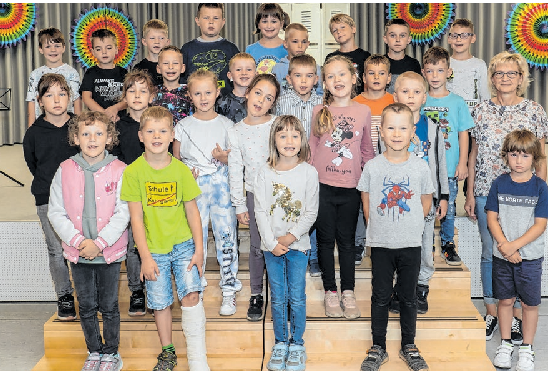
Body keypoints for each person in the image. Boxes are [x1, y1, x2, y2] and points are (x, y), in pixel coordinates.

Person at [465, 51, 548, 343]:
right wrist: (470, 192)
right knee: (492, 253)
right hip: (488, 190)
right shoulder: (481, 111)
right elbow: (474, 154)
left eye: (511, 73)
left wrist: (542, 190)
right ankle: (492, 310)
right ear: (492, 78)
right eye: (499, 73)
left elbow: (542, 155)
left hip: (525, 195)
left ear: (521, 78)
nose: (505, 79)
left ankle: (513, 315)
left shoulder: (535, 110)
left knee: (518, 252)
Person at [121, 106, 209, 371]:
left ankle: (197, 358)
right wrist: (145, 257)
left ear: (172, 135)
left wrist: (200, 249)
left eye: (162, 131)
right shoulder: (133, 173)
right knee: (160, 304)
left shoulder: (181, 170)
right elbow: (136, 219)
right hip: (153, 250)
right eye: (150, 131)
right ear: (140, 136)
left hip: (184, 245)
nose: (156, 136)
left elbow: (193, 212)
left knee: (191, 295)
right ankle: (168, 351)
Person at [48, 111, 129, 371]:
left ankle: (111, 353)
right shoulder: (65, 169)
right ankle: (94, 351)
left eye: (98, 133)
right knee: (86, 305)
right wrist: (78, 240)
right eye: (85, 133)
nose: (92, 139)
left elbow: (123, 211)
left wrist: (101, 242)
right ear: (75, 138)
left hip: (109, 253)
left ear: (109, 137)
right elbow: (56, 211)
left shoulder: (119, 169)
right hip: (78, 252)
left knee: (109, 306)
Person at [357, 103, 434, 371]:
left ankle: (408, 345)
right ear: (381, 132)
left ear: (413, 132)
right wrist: (378, 228)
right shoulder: (373, 167)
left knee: (408, 297)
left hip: (411, 244)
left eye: (403, 127)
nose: (397, 133)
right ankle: (378, 346)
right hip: (381, 244)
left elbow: (426, 201)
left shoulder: (421, 167)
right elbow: (366, 202)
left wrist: (410, 226)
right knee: (380, 296)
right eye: (391, 127)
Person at [309, 55, 374, 319]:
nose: (337, 80)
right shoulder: (318, 111)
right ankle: (330, 292)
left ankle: (348, 291)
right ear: (324, 82)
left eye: (342, 74)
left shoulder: (363, 111)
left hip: (351, 188)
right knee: (325, 242)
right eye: (331, 76)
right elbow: (312, 149)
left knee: (347, 243)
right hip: (322, 187)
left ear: (353, 78)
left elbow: (367, 150)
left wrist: (370, 184)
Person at [173, 69, 242, 316]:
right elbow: (175, 159)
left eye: (208, 92)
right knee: (195, 238)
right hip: (195, 188)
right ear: (189, 95)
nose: (203, 97)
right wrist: (184, 172)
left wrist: (225, 158)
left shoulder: (227, 124)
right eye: (197, 93)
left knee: (226, 236)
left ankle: (229, 289)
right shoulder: (182, 125)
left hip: (222, 186)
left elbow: (236, 159)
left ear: (217, 93)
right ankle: (196, 288)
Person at [254, 115, 319, 371]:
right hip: (272, 248)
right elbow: (260, 210)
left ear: (302, 140)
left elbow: (310, 212)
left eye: (294, 135)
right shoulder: (264, 171)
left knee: (297, 297)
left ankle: (297, 344)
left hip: (298, 247)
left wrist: (290, 237)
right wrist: (271, 242)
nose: (289, 141)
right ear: (274, 140)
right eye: (283, 135)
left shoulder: (309, 172)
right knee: (279, 298)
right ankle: (281, 343)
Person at [486, 130, 548, 371]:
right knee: (505, 301)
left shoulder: (541, 187)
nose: (519, 160)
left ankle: (526, 348)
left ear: (535, 158)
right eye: (514, 154)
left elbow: (540, 225)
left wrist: (513, 246)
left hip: (529, 257)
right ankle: (505, 344)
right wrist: (505, 246)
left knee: (529, 304)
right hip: (502, 255)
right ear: (506, 156)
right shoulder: (499, 183)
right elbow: (492, 219)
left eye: (525, 155)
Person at [392, 72, 449, 314]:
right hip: (397, 200)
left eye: (416, 92)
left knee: (425, 245)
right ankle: (399, 287)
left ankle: (421, 286)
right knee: (397, 245)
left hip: (425, 200)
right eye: (405, 91)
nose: (411, 96)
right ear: (395, 95)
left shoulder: (433, 128)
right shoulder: (389, 127)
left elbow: (441, 164)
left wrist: (443, 196)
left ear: (424, 97)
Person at [23, 73, 79, 321]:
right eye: (49, 95)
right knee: (56, 250)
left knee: (79, 246)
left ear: (70, 97)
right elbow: (33, 164)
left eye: (62, 94)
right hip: (47, 197)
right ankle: (64, 296)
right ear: (40, 101)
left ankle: (86, 294)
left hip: (78, 197)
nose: (57, 100)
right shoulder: (34, 133)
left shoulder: (80, 126)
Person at [227, 74, 281, 321]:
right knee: (258, 247)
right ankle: (257, 294)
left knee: (281, 244)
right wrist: (239, 204)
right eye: (258, 92)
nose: (261, 100)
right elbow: (235, 169)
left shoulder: (279, 124)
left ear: (273, 104)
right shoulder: (235, 131)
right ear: (247, 92)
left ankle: (281, 294)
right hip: (254, 195)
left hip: (281, 194)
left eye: (268, 97)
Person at [421, 46, 474, 266]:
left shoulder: (458, 102)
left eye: (440, 70)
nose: (435, 76)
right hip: (424, 166)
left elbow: (464, 134)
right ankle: (425, 243)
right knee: (424, 206)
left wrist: (463, 163)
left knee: (448, 207)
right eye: (430, 71)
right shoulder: (420, 100)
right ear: (424, 72)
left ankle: (447, 244)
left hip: (449, 166)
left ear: (449, 72)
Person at [111, 70, 156, 316]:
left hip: (155, 193)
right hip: (128, 194)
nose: (137, 96)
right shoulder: (118, 125)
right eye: (132, 91)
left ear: (152, 96)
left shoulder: (158, 122)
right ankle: (136, 291)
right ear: (124, 96)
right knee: (132, 247)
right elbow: (114, 159)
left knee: (155, 242)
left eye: (143, 91)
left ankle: (156, 289)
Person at [274, 53, 322, 277]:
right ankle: (286, 249)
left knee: (310, 212)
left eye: (309, 76)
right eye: (298, 76)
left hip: (312, 168)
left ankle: (312, 256)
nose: (303, 81)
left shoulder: (322, 104)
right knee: (289, 209)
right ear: (289, 79)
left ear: (317, 79)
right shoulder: (281, 102)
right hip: (286, 168)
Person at [352, 54, 395, 265]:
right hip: (363, 163)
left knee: (387, 201)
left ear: (389, 78)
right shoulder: (355, 103)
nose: (376, 77)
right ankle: (359, 243)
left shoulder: (395, 101)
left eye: (381, 73)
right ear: (363, 77)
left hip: (390, 162)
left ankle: (387, 240)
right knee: (363, 203)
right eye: (371, 73)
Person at [26, 27, 81, 127]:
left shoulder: (72, 73)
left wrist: (78, 126)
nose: (53, 50)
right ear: (40, 49)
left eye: (57, 46)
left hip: (67, 124)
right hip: (43, 125)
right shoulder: (35, 74)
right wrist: (31, 128)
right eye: (47, 47)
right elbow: (32, 101)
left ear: (63, 48)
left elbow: (76, 100)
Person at [181, 3, 239, 96]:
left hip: (226, 105)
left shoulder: (231, 49)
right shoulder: (187, 49)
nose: (211, 22)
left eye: (216, 18)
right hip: (197, 103)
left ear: (223, 22)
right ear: (197, 20)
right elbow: (182, 81)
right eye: (206, 18)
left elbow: (238, 78)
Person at [80, 29, 128, 123]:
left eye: (108, 48)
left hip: (120, 121)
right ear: (93, 52)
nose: (104, 52)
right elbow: (86, 98)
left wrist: (115, 109)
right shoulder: (90, 73)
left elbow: (129, 99)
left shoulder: (124, 73)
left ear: (116, 49)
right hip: (97, 121)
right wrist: (103, 114)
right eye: (99, 49)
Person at [446, 18, 490, 112]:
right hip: (449, 118)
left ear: (473, 38)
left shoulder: (480, 65)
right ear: (449, 39)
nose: (458, 39)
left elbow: (485, 96)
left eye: (464, 35)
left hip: (473, 120)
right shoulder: (443, 63)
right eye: (454, 35)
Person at [325, 14, 371, 95]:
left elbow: (368, 84)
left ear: (353, 29)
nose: (339, 31)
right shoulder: (331, 58)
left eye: (342, 27)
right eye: (335, 30)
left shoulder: (365, 56)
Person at [271, 23, 323, 95]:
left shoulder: (315, 68)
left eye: (304, 42)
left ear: (308, 44)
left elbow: (319, 93)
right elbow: (273, 93)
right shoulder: (278, 68)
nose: (300, 46)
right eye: (295, 41)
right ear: (285, 44)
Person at [151, 45, 192, 128]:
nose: (170, 67)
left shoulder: (191, 93)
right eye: (166, 63)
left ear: (182, 68)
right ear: (158, 69)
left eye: (175, 63)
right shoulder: (152, 93)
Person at [245, 3, 290, 74]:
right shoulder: (250, 50)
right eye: (264, 21)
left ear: (281, 24)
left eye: (274, 21)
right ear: (258, 24)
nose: (269, 26)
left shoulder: (288, 49)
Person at [383, 19, 421, 94]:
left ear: (409, 39)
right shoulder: (380, 63)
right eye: (392, 35)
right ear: (385, 39)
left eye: (402, 35)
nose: (397, 39)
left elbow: (418, 90)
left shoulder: (414, 64)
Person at [216, 53, 257, 123]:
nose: (244, 73)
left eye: (249, 69)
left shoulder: (260, 101)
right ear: (230, 75)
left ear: (256, 75)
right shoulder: (222, 103)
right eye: (238, 69)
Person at [134, 19, 171, 86]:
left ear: (167, 42)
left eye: (161, 38)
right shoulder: (139, 68)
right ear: (144, 42)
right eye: (152, 38)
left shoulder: (171, 66)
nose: (157, 42)